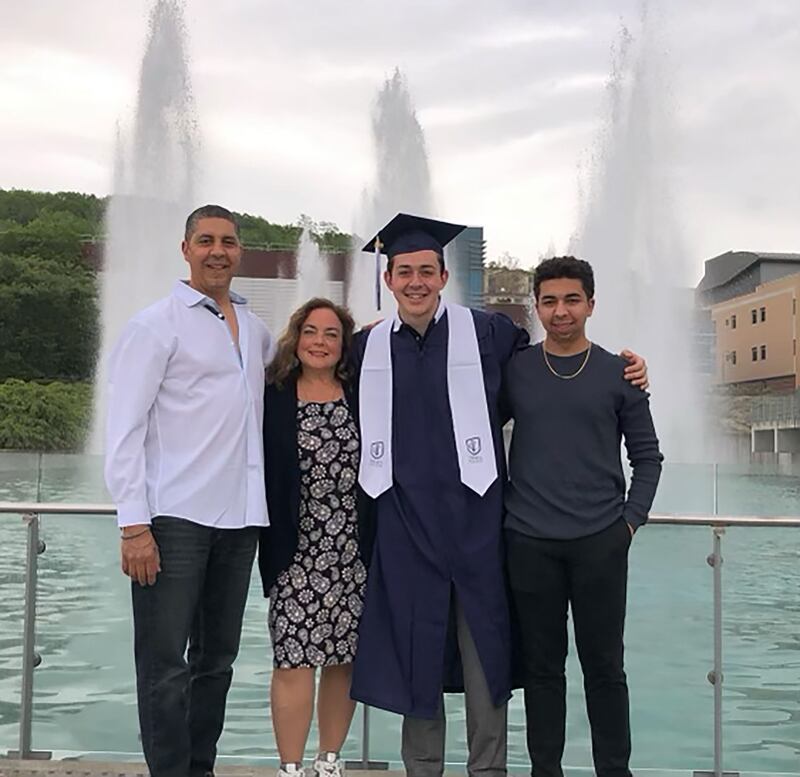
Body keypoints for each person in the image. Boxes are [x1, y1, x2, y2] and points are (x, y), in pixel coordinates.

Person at [349, 214, 648, 777]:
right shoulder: (365, 349)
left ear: (443, 277)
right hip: (406, 525)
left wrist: (627, 367)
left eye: (427, 271)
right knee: (419, 657)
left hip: (479, 524)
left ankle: (490, 770)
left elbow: (550, 371)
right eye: (404, 272)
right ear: (389, 280)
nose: (416, 281)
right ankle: (424, 769)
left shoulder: (488, 334)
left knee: (485, 651)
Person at [104, 204, 275, 777]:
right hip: (173, 519)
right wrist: (134, 524)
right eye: (206, 240)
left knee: (217, 662)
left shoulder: (254, 330)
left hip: (240, 522)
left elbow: (309, 365)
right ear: (186, 249)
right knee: (164, 666)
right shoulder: (155, 325)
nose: (218, 250)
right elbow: (123, 429)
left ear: (240, 251)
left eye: (228, 241)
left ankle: (200, 767)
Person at [503, 256, 663, 777]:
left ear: (591, 304)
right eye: (549, 301)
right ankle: (545, 770)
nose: (561, 311)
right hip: (528, 541)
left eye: (572, 299)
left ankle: (614, 771)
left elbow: (648, 458)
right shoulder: (516, 369)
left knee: (605, 670)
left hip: (600, 541)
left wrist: (628, 524)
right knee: (542, 671)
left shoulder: (620, 372)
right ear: (537, 307)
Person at [257, 298, 373, 777]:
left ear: (343, 344)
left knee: (343, 659)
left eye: (331, 334)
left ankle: (329, 761)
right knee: (293, 661)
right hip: (295, 550)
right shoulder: (274, 394)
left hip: (353, 549)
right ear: (296, 337)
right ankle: (290, 767)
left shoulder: (360, 392)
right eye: (311, 331)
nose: (320, 342)